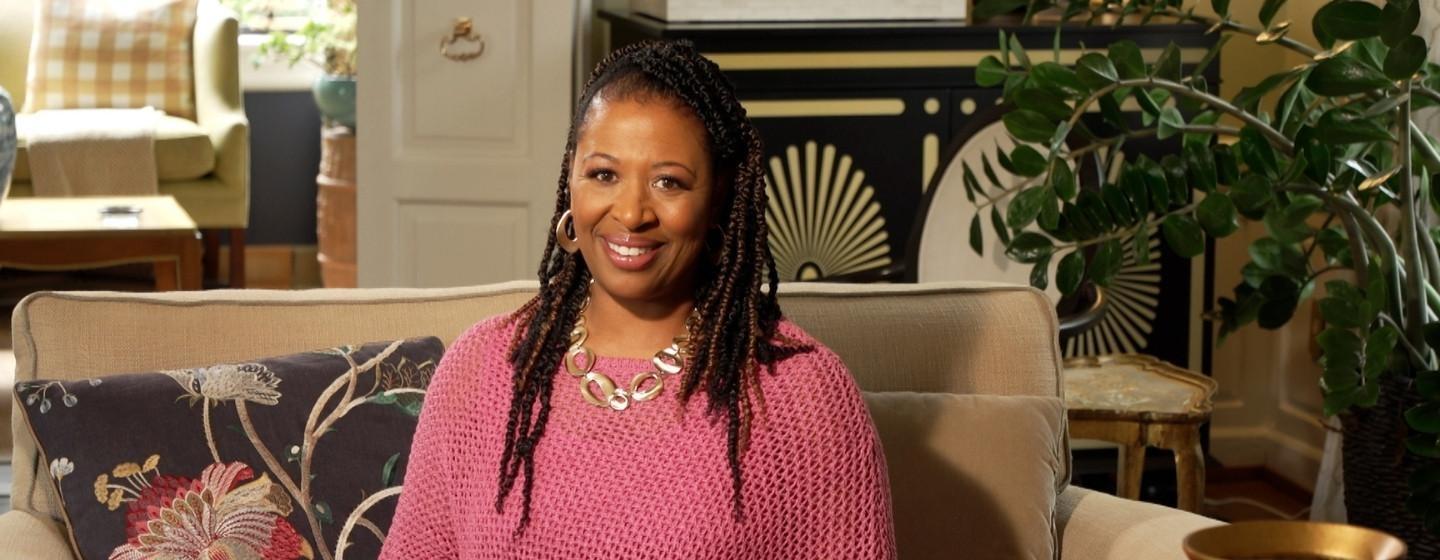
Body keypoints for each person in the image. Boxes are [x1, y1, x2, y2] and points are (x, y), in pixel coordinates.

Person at [381, 40, 895, 559]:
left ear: (718, 199)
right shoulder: (482, 369)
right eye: (604, 174)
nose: (631, 213)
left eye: (669, 182)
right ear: (571, 178)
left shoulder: (802, 396)